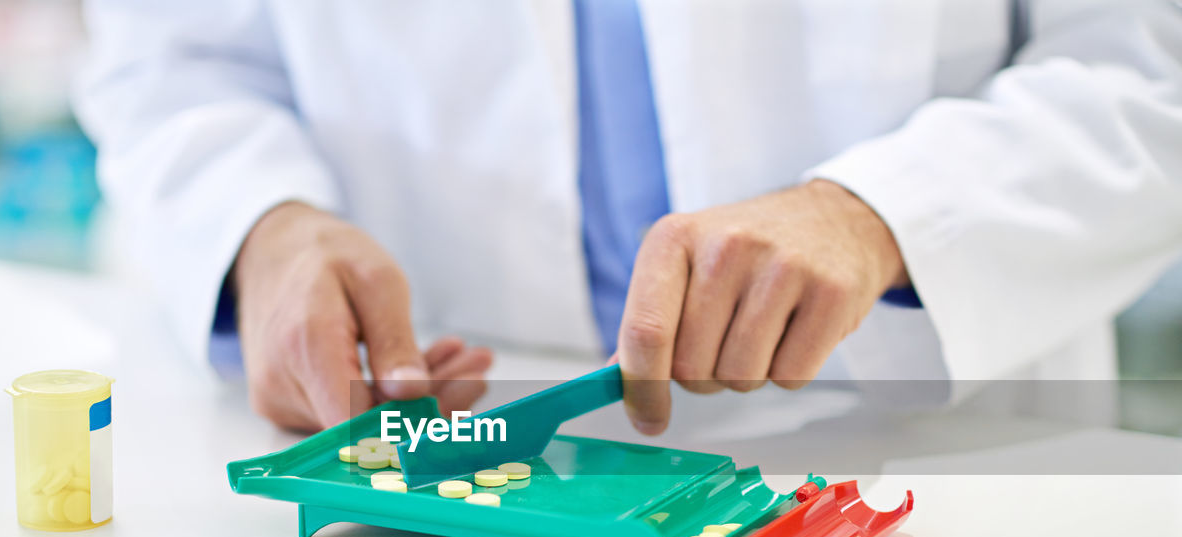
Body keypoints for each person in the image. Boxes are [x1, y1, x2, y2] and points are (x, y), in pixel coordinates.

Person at [75, 0, 1182, 435]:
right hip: (452, 466)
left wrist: (878, 215)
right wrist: (261, 223)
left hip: (918, 449)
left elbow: (1144, 66)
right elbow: (171, 64)